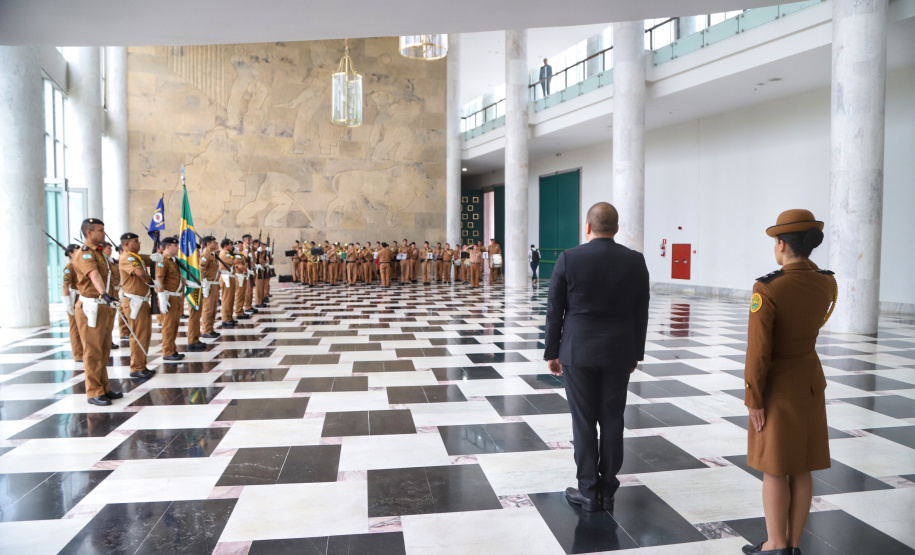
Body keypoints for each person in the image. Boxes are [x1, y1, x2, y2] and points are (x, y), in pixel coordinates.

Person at [741, 209, 837, 555]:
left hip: (777, 391)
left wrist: (754, 397)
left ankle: (774, 546)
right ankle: (793, 545)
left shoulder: (768, 288)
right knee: (802, 467)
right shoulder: (827, 282)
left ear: (781, 244)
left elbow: (759, 351)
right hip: (810, 385)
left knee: (775, 469)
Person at [544, 202, 650, 512]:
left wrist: (552, 351)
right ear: (616, 229)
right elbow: (640, 311)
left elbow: (554, 309)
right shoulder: (635, 261)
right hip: (619, 351)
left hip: (578, 351)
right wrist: (635, 353)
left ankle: (588, 491)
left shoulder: (569, 258)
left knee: (584, 421)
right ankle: (608, 488)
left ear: (587, 227)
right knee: (613, 418)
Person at [70, 218, 123, 406]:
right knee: (92, 351)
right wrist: (104, 294)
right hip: (92, 306)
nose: (104, 233)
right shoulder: (85, 254)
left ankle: (104, 388)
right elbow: (94, 275)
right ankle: (93, 392)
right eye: (100, 230)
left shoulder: (99, 254)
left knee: (104, 349)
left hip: (104, 306)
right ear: (89, 233)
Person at [119, 232, 158, 378]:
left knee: (145, 335)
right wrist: (152, 283)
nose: (139, 243)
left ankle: (142, 365)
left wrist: (157, 254)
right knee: (137, 335)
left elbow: (149, 259)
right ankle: (136, 368)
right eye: (136, 241)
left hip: (142, 300)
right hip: (134, 301)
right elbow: (140, 273)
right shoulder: (127, 257)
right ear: (127, 244)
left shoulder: (136, 257)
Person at [156, 236, 186, 361]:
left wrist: (188, 283)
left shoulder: (174, 260)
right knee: (168, 325)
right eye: (175, 246)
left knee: (174, 325)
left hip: (177, 297)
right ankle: (167, 352)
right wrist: (162, 298)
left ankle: (172, 349)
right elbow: (159, 279)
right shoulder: (163, 260)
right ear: (168, 246)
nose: (178, 248)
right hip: (168, 297)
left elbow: (177, 278)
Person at [62, 244, 83, 363]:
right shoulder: (70, 266)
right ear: (70, 253)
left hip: (82, 295)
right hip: (74, 296)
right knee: (75, 327)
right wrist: (67, 303)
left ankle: (84, 351)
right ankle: (78, 354)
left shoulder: (79, 264)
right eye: (77, 250)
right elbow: (65, 285)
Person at [198, 236, 221, 339]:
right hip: (209, 284)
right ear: (208, 244)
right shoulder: (205, 256)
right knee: (208, 308)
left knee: (213, 308)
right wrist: (206, 280)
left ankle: (211, 328)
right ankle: (206, 329)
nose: (215, 244)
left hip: (214, 284)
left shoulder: (212, 254)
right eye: (213, 242)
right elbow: (202, 269)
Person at [218, 239, 238, 328]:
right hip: (226, 278)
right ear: (226, 246)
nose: (232, 246)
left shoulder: (228, 253)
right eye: (230, 245)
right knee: (226, 298)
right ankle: (225, 319)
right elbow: (236, 261)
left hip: (230, 277)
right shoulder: (224, 254)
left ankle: (229, 317)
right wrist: (237, 256)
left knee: (230, 298)